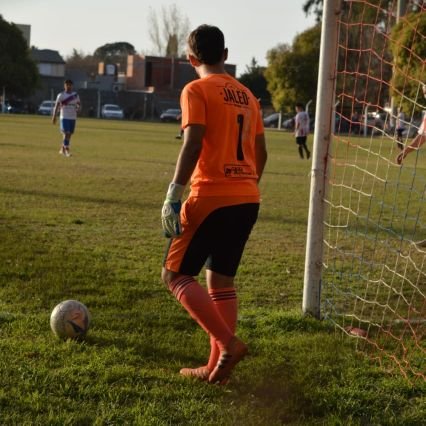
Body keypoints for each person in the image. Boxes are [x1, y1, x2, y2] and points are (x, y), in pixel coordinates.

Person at [161, 24, 267, 385]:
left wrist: (174, 193)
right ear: (225, 54)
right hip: (247, 197)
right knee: (220, 279)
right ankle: (214, 367)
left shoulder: (195, 89)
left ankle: (228, 344)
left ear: (191, 59)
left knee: (175, 276)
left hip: (210, 196)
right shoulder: (249, 96)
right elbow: (261, 153)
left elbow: (192, 142)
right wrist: (244, 186)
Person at [396, 84, 426, 165]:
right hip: (399, 128)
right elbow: (421, 138)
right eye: (424, 94)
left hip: (400, 128)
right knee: (399, 138)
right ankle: (400, 146)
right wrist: (405, 152)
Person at [52, 79, 81, 157]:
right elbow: (56, 106)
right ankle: (67, 151)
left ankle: (62, 149)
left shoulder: (75, 95)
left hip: (73, 117)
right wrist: (54, 116)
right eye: (67, 85)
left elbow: (78, 104)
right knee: (67, 133)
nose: (68, 86)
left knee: (69, 134)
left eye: (70, 85)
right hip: (64, 116)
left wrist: (78, 108)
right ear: (64, 86)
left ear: (72, 86)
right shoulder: (61, 95)